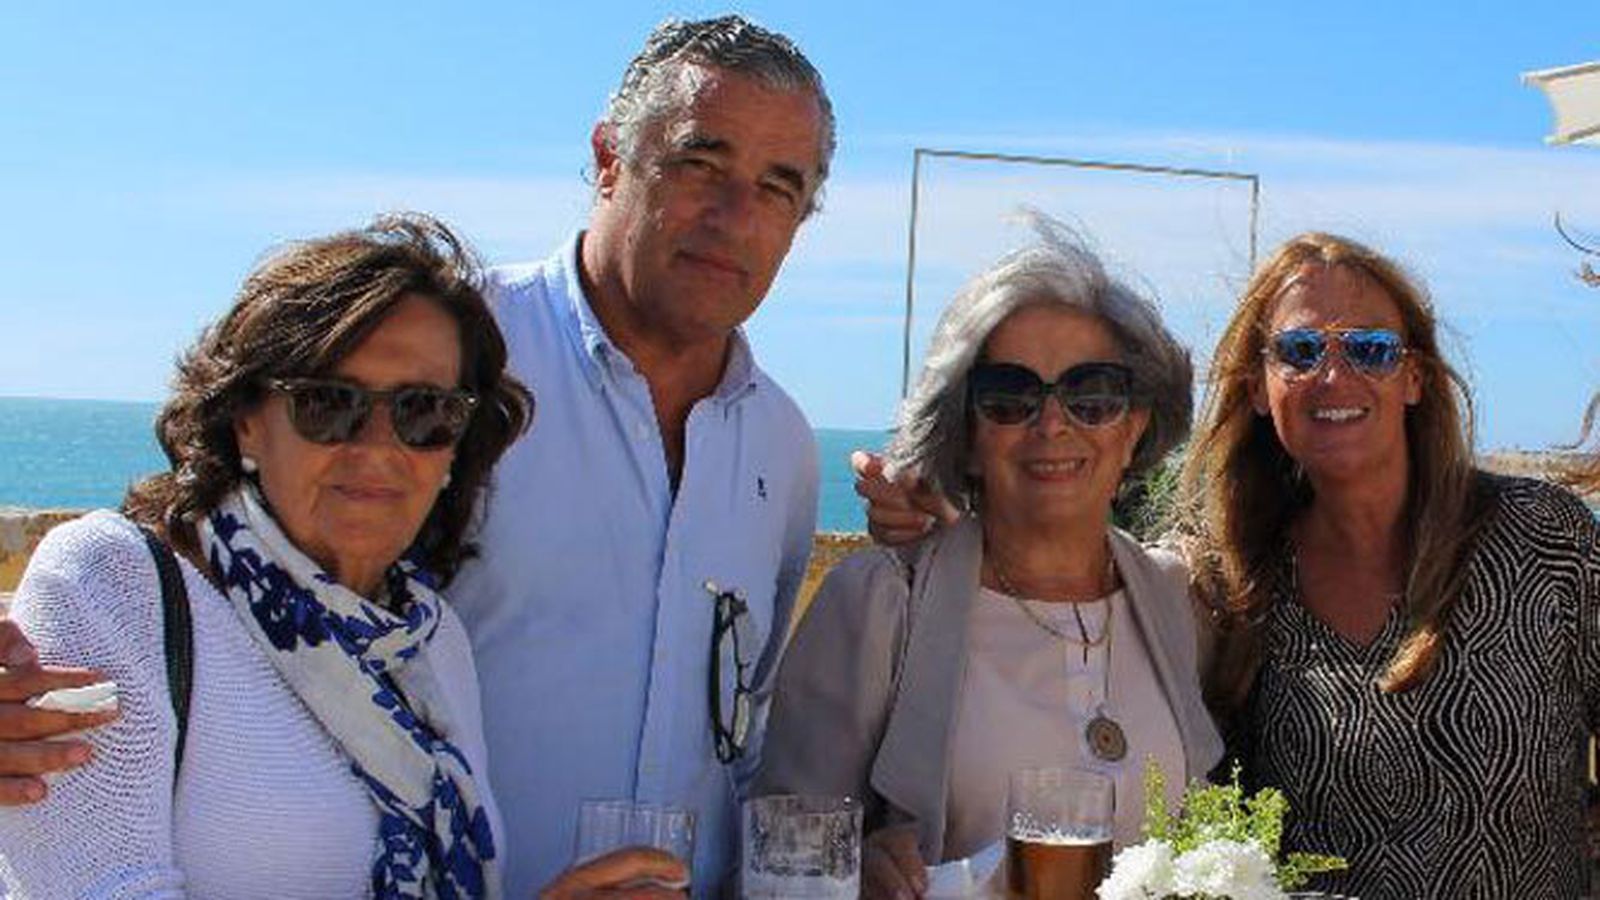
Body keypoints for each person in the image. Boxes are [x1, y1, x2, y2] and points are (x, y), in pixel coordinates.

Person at [0, 15, 828, 896]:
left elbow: (742, 726)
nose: (381, 443)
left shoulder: (437, 646)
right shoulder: (449, 339)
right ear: (610, 158)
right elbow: (176, 563)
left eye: (779, 187)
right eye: (701, 163)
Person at [0, 214, 531, 897]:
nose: (376, 446)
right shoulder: (116, 584)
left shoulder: (431, 643)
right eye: (328, 403)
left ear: (457, 444)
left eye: (423, 410)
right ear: (246, 417)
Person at [760, 219, 1221, 899]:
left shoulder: (1181, 602)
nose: (1053, 424)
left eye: (1092, 395)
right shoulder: (882, 605)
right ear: (968, 436)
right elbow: (783, 849)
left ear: (1135, 427)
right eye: (1011, 396)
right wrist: (862, 872)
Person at [1177, 232, 1600, 900]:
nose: (1334, 375)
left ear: (1414, 378)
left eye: (1371, 349)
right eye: (1301, 350)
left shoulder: (1544, 537)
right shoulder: (1231, 582)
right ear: (1257, 387)